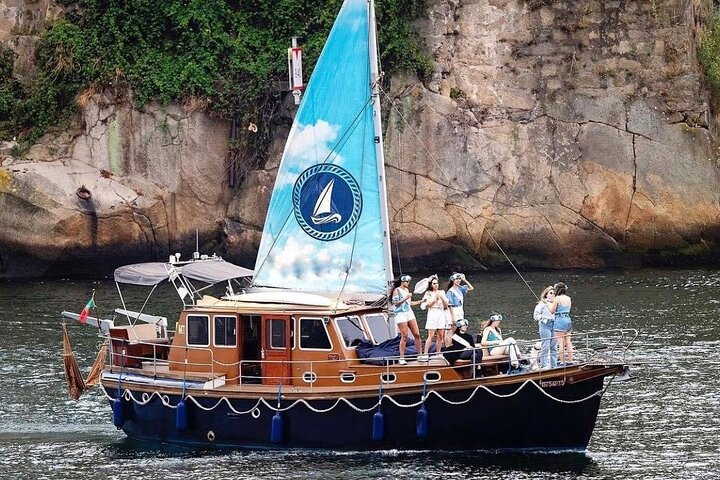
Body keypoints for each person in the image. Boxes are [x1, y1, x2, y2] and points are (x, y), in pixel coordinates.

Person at [390, 274, 423, 365]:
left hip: (409, 312)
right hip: (401, 314)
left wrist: (420, 302)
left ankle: (420, 354)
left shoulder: (407, 290)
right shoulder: (397, 291)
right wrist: (406, 297)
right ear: (402, 281)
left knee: (416, 334)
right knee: (404, 336)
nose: (408, 283)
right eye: (407, 281)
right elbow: (395, 303)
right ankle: (401, 357)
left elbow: (409, 303)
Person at [420, 274, 451, 359]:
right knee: (431, 335)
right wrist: (435, 299)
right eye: (434, 283)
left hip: (440, 313)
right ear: (431, 285)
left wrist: (443, 299)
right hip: (432, 313)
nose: (436, 285)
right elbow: (427, 305)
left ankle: (438, 352)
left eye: (437, 283)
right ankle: (425, 353)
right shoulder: (428, 293)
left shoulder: (441, 292)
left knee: (440, 335)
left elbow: (446, 306)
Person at [445, 273, 474, 347]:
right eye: (456, 279)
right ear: (453, 280)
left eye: (459, 279)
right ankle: (448, 346)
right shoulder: (450, 292)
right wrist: (453, 317)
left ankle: (457, 345)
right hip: (454, 311)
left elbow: (471, 288)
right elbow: (450, 305)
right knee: (452, 330)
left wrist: (465, 280)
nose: (458, 281)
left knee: (460, 328)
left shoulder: (460, 288)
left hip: (460, 310)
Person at [533, 286, 558, 369]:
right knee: (545, 345)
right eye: (551, 293)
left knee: (554, 346)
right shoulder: (542, 304)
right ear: (546, 294)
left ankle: (554, 365)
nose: (552, 295)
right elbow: (536, 315)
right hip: (545, 325)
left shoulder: (556, 303)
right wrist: (542, 318)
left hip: (554, 324)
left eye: (554, 293)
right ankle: (544, 364)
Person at [548, 281, 573, 364]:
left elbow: (552, 311)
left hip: (560, 320)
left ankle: (562, 362)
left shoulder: (557, 299)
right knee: (568, 342)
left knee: (560, 342)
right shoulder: (568, 298)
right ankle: (570, 361)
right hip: (568, 319)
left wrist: (550, 303)